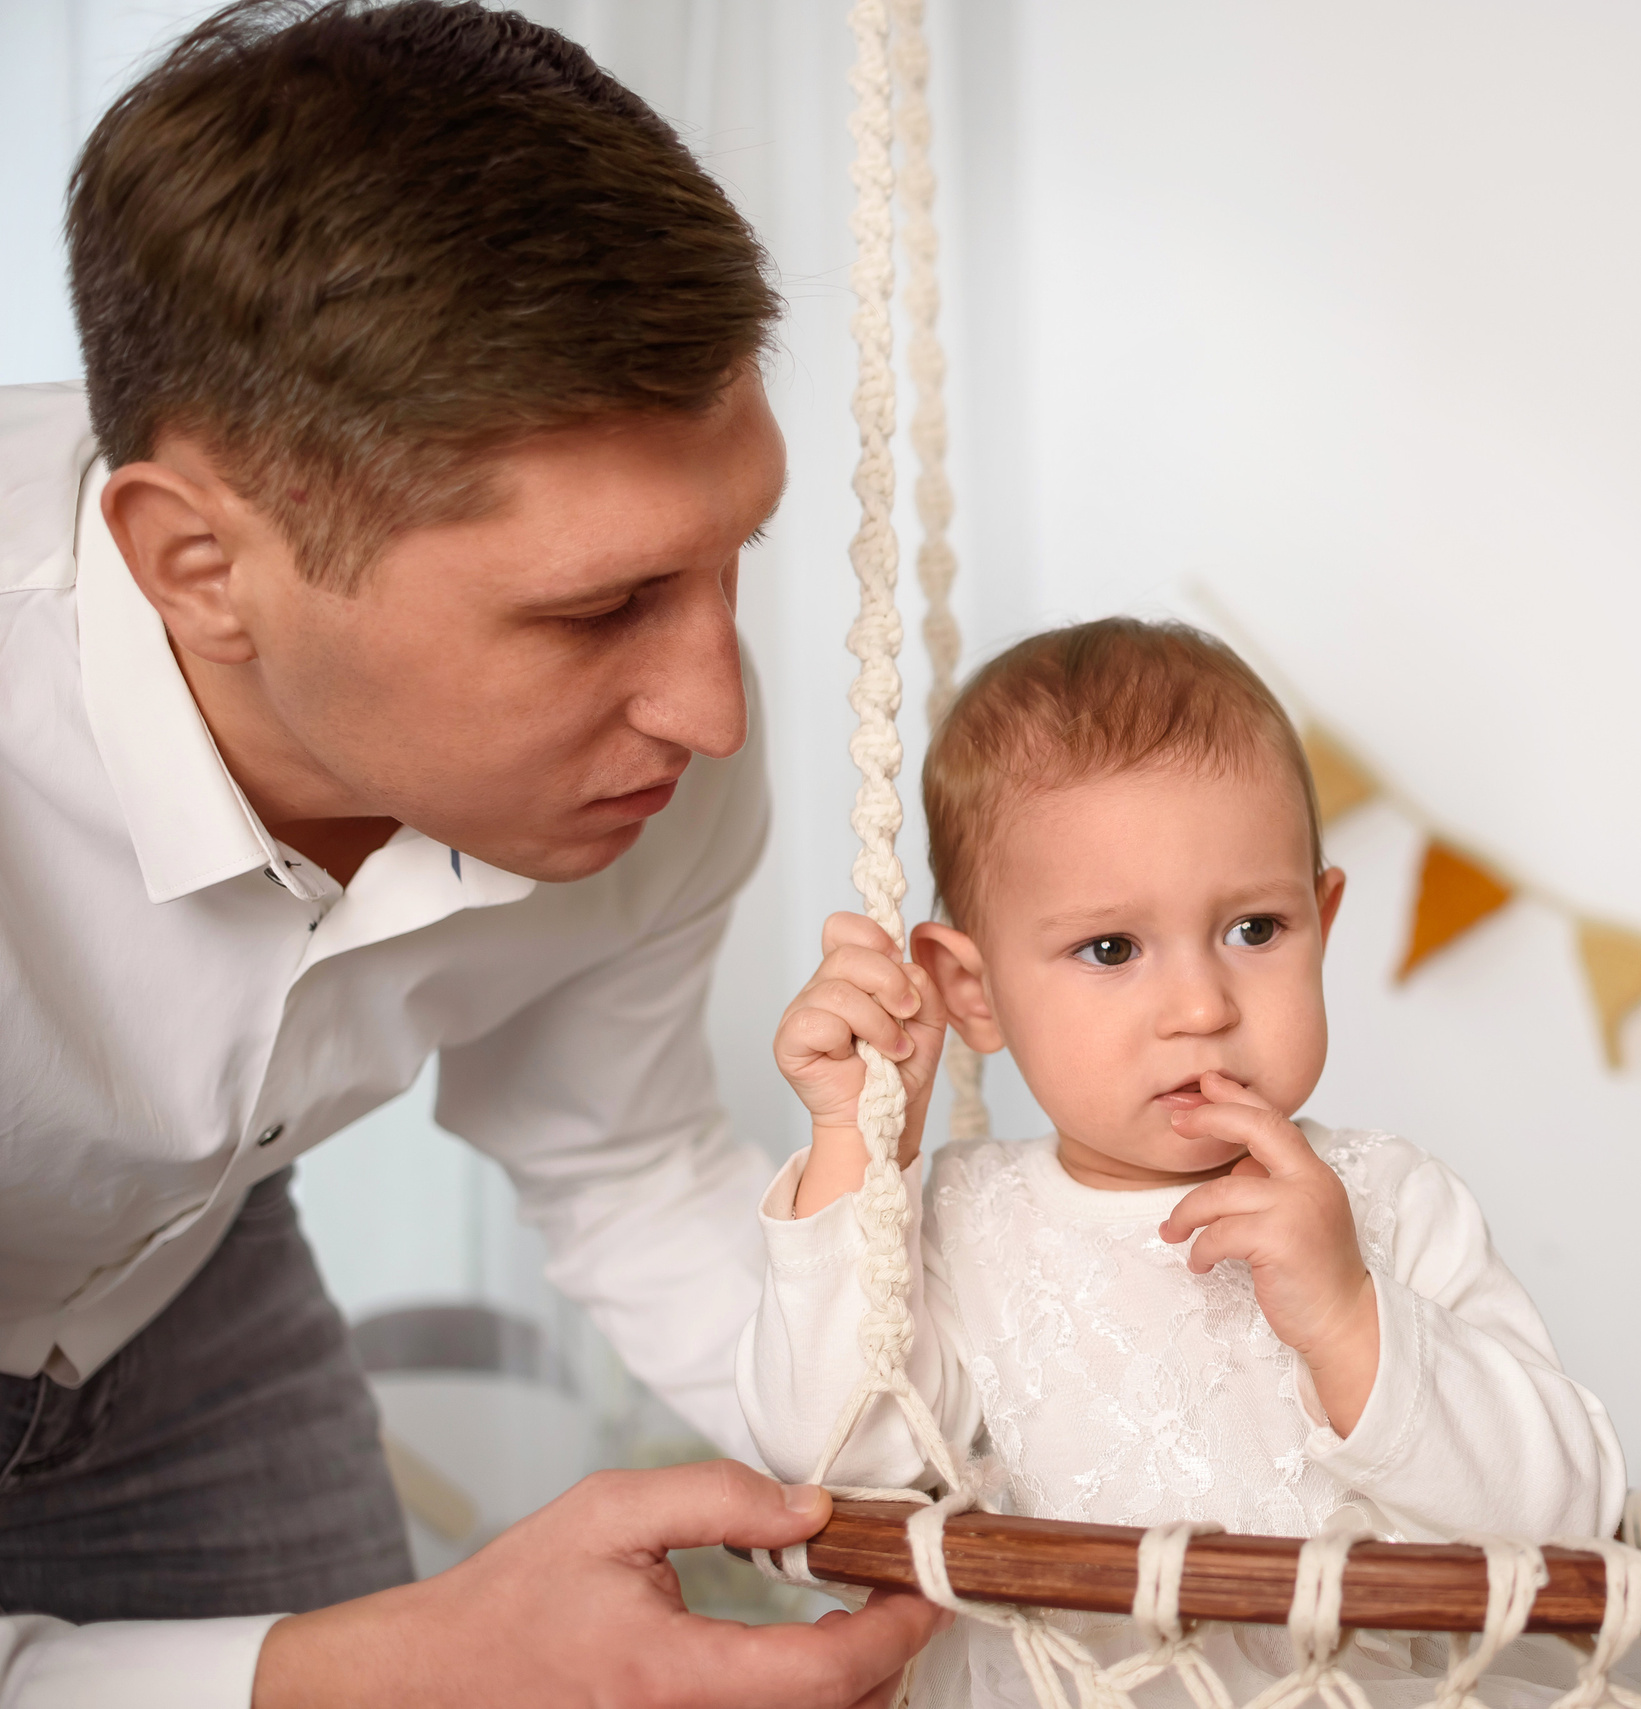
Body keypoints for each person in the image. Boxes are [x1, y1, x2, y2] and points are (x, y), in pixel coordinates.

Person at [0, 3, 940, 1703]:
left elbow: (620, 1156)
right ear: (196, 566)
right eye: (598, 607)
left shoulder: (649, 754)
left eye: (732, 554)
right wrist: (379, 1662)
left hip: (178, 1289)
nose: (713, 710)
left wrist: (975, 1402)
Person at [740, 619, 1625, 1706]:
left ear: (1323, 918)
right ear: (971, 992)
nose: (1203, 1006)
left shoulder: (1388, 1198)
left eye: (1255, 928)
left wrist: (1351, 1317)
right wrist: (857, 1153)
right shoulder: (959, 1218)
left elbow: (1566, 1515)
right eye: (1110, 949)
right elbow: (832, 1455)